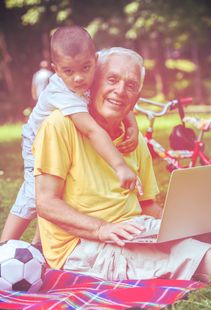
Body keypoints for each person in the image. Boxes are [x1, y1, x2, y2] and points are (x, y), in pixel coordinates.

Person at [33, 47, 211, 283]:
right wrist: (101, 229)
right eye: (112, 79)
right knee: (195, 256)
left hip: (135, 229)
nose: (120, 91)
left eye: (130, 85)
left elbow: (146, 204)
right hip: (82, 246)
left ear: (137, 98)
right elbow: (46, 203)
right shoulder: (60, 126)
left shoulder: (133, 139)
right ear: (93, 83)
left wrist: (181, 225)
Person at [1, 26, 141, 245]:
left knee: (62, 188)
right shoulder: (62, 92)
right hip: (36, 142)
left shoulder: (95, 69)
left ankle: (40, 243)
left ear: (95, 59)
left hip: (64, 141)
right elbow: (91, 129)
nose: (78, 78)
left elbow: (121, 101)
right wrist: (120, 165)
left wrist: (132, 125)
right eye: (68, 71)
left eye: (85, 67)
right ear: (57, 70)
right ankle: (4, 247)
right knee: (34, 194)